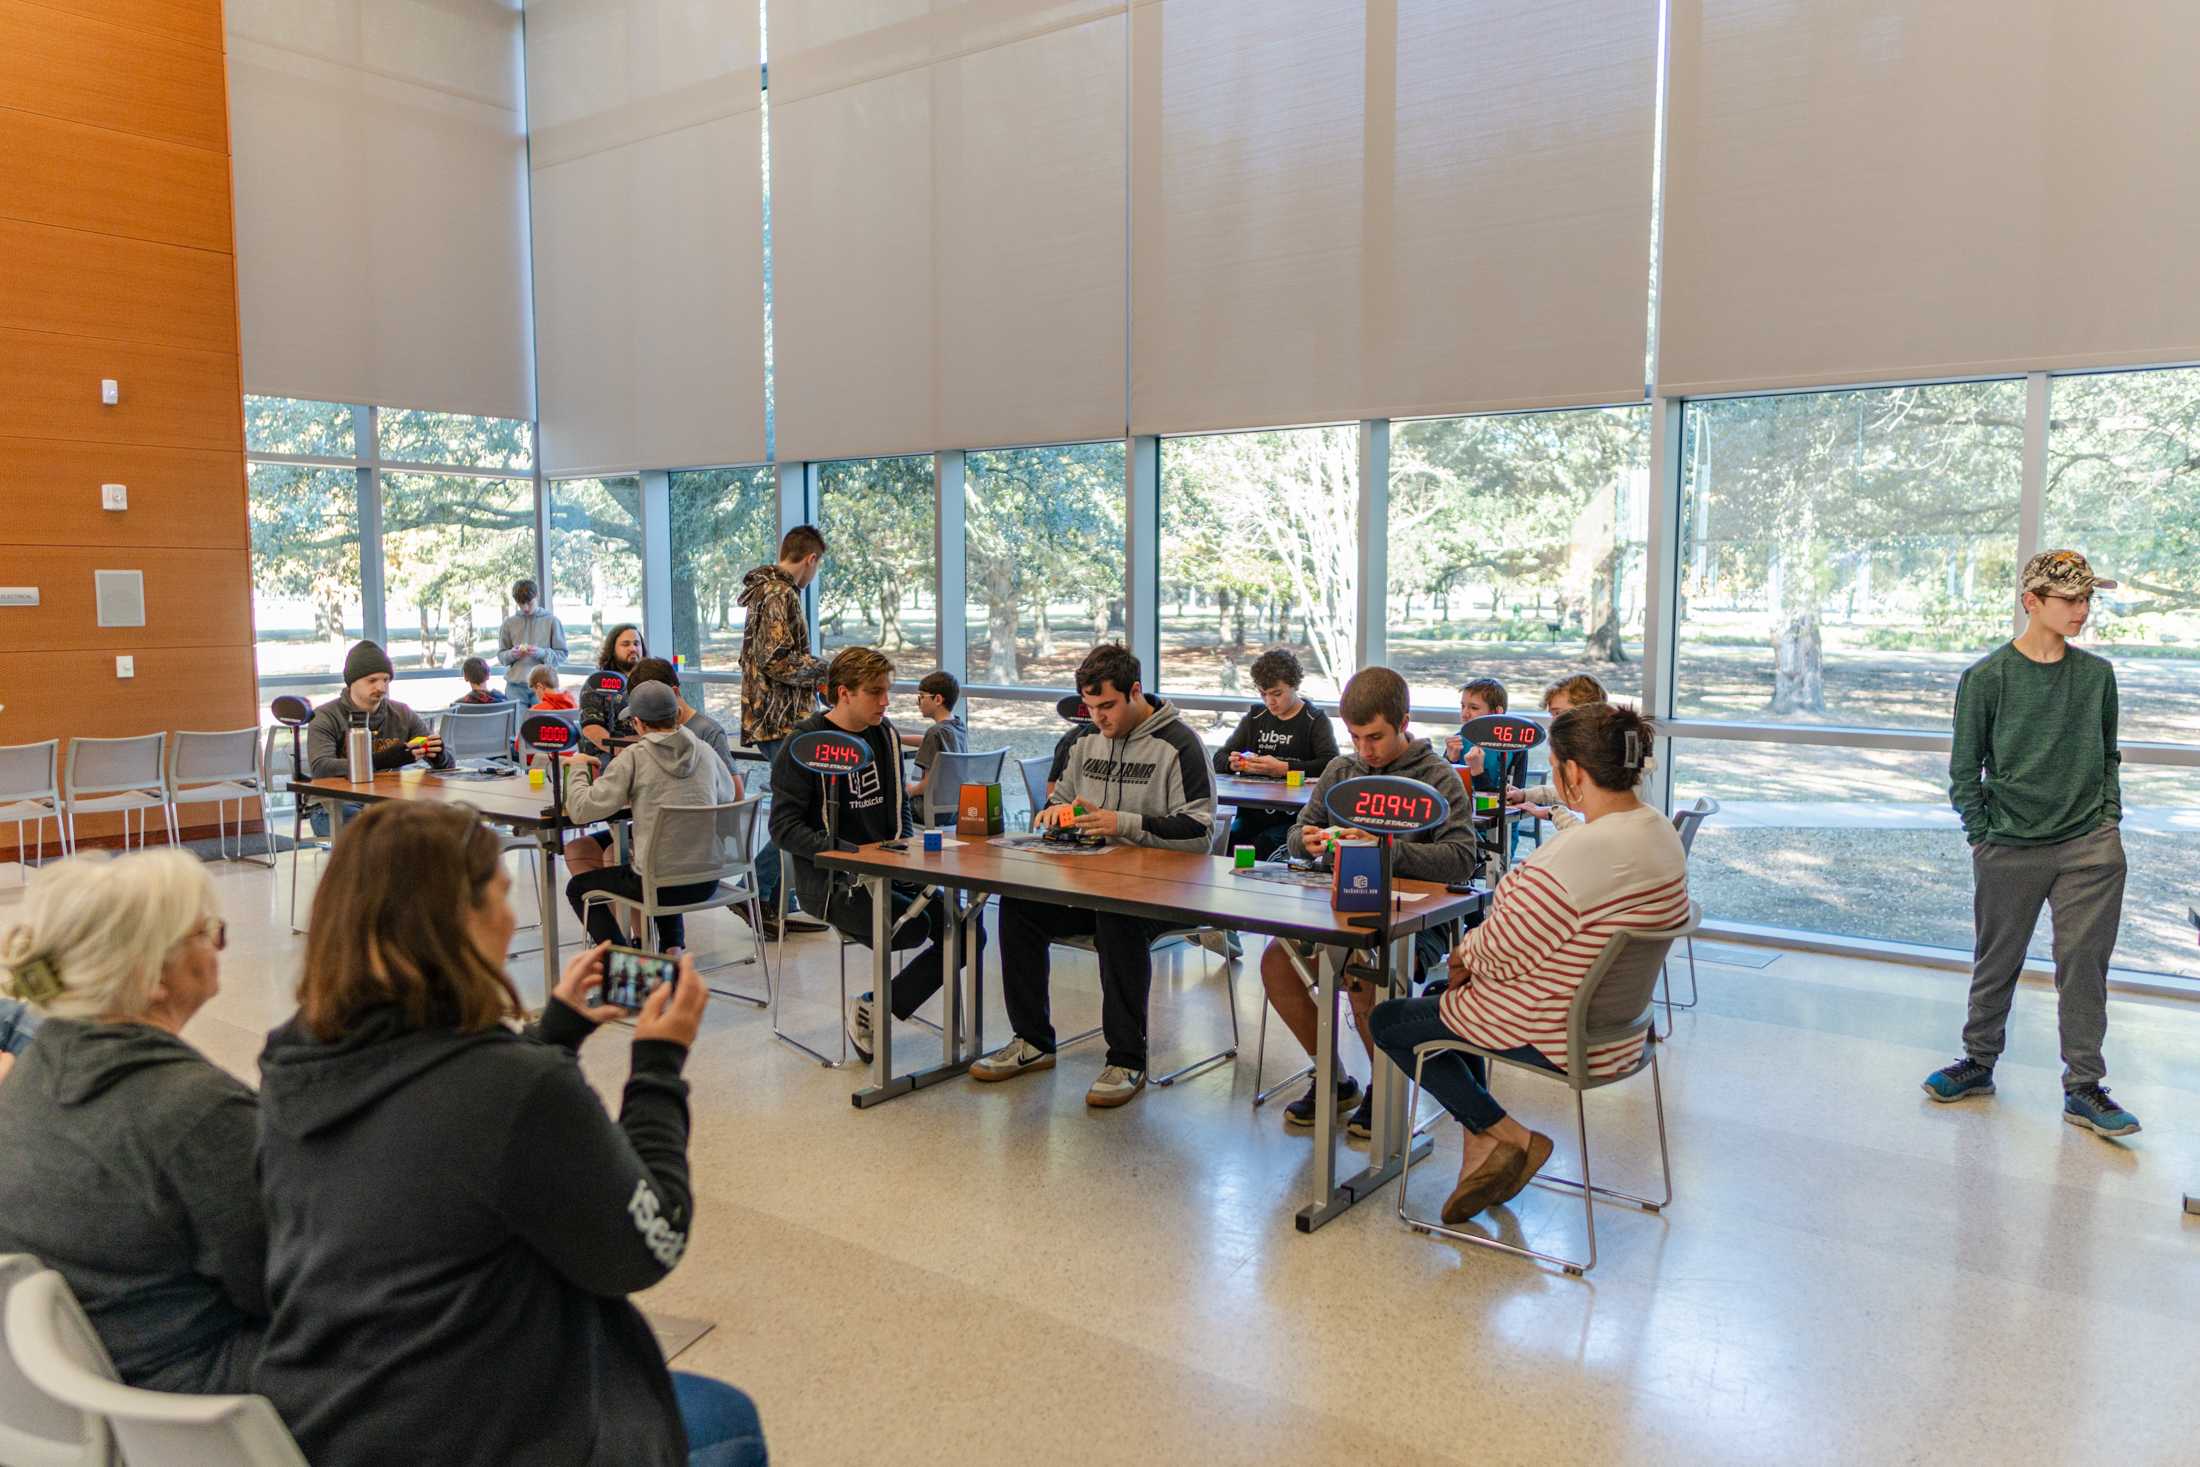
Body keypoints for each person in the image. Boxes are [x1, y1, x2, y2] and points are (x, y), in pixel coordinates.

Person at [254, 801, 762, 1467]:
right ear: (457, 923)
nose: (513, 913)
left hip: (341, 1417)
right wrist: (658, 1066)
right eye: (501, 893)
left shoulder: (294, 1060)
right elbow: (649, 1244)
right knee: (731, 1425)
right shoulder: (517, 1087)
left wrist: (554, 1034)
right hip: (494, 1428)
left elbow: (432, 1130)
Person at [1369, 702, 1689, 1225]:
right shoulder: (1658, 833)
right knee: (1440, 1006)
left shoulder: (1572, 857)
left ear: (1573, 773)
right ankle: (1482, 1146)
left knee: (1392, 1021)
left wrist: (1462, 955)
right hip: (1624, 1032)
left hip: (1559, 1034)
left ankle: (1508, 1135)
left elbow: (1498, 946)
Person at [0, 850, 266, 1394]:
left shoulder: (32, 1076)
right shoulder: (195, 1112)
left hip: (84, 1375)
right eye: (206, 933)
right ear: (152, 975)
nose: (220, 946)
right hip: (200, 1393)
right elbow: (291, 1286)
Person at [1924, 550, 2138, 1138]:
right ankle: (1978, 1063)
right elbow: (1964, 771)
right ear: (2032, 602)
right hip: (2009, 845)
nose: (2082, 610)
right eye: (2070, 599)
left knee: (2084, 967)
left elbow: (2109, 755)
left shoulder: (2097, 676)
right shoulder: (1987, 678)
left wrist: (2108, 822)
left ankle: (2084, 1088)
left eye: (2087, 599)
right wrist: (1982, 836)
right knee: (1997, 961)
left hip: (2089, 848)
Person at [970, 645, 1215, 1108]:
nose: (1099, 718)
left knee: (1117, 917)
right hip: (1093, 884)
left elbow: (1200, 831)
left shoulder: (1180, 744)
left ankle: (1127, 1059)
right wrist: (1056, 813)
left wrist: (1120, 823)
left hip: (1165, 894)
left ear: (1135, 691)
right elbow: (1055, 801)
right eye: (1091, 708)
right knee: (1019, 907)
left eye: (1108, 706)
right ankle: (1032, 1041)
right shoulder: (1084, 743)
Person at [1260, 667, 1477, 1135]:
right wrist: (1311, 841)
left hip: (1416, 919)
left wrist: (1385, 849)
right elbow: (1298, 832)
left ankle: (1387, 1089)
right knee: (1276, 963)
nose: (1365, 750)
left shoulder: (1439, 777)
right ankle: (1335, 1080)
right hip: (1339, 907)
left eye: (1375, 736)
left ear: (1404, 721)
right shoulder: (1342, 771)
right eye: (1355, 737)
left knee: (1363, 970)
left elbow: (1462, 859)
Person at [769, 649, 980, 1062]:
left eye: (888, 691)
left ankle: (877, 1006)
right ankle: (880, 1008)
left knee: (971, 932)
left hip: (889, 869)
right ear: (843, 693)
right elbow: (783, 828)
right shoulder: (804, 743)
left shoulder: (886, 735)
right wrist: (847, 853)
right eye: (875, 692)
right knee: (912, 930)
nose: (886, 701)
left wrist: (902, 845)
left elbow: (898, 804)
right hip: (831, 882)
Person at [564, 681, 741, 955]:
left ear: (638, 723)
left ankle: (627, 962)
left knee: (578, 888)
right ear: (675, 715)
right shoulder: (704, 750)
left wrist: (577, 769)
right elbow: (727, 796)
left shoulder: (635, 756)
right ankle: (672, 950)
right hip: (708, 878)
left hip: (658, 885)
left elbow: (581, 810)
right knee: (665, 851)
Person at [739, 525, 830, 936]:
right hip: (780, 720)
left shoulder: (769, 592)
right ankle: (754, 890)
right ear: (810, 559)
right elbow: (776, 660)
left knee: (794, 809)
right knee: (800, 815)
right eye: (817, 566)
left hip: (776, 717)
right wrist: (825, 668)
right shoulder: (779, 594)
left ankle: (777, 902)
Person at [304, 640, 451, 833]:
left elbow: (448, 766)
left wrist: (439, 755)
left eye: (386, 680)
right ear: (352, 682)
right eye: (372, 680)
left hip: (388, 802)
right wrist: (380, 760)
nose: (381, 687)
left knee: (441, 821)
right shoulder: (326, 716)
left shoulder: (402, 713)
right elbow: (321, 768)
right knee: (372, 831)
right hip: (334, 804)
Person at [1212, 648, 1339, 859]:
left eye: (1277, 694)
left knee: (1266, 843)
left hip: (1292, 819)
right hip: (1252, 813)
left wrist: (1283, 769)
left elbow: (1330, 765)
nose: (1270, 701)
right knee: (1231, 840)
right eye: (1263, 694)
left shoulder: (1314, 720)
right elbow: (1219, 758)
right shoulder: (1255, 716)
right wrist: (1234, 763)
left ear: (1294, 685)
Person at [565, 624, 651, 876]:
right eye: (625, 644)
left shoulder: (649, 683)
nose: (633, 648)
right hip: (607, 759)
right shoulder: (598, 683)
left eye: (636, 643)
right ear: (612, 649)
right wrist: (623, 754)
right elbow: (592, 729)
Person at [1505, 672, 1608, 831]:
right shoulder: (1597, 746)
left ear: (1587, 710)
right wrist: (1525, 795)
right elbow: (1576, 791)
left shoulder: (1607, 757)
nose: (1553, 723)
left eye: (1559, 713)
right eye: (1552, 715)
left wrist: (1554, 813)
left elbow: (1593, 836)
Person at [631, 657, 743, 790]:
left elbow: (735, 793)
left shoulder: (708, 732)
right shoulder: (646, 726)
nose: (645, 719)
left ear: (674, 693)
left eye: (650, 704)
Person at [904, 670, 968, 818]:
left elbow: (927, 785)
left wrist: (909, 790)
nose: (918, 702)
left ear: (938, 699)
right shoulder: (957, 726)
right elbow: (928, 739)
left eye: (921, 697)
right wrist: (898, 737)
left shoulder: (934, 733)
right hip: (954, 808)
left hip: (928, 810)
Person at [497, 578, 567, 701]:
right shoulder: (508, 623)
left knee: (542, 721)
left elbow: (562, 655)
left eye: (529, 603)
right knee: (518, 721)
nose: (525, 608)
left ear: (537, 596)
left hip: (543, 687)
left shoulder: (552, 621)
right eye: (521, 603)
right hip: (515, 688)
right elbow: (502, 656)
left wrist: (542, 653)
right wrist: (512, 654)